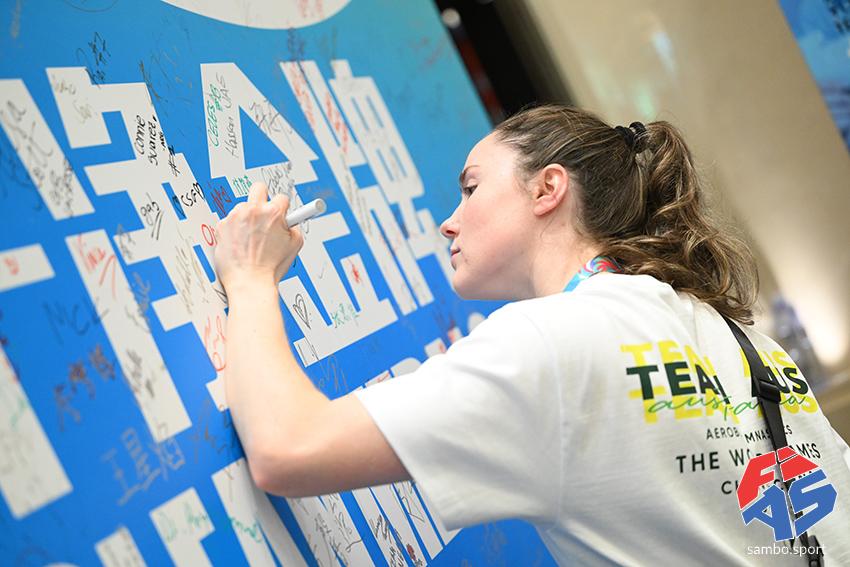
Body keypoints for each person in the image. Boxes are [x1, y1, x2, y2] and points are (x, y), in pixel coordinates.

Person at [213, 104, 850, 565]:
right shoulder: (739, 339)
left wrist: (249, 275)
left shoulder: (552, 343)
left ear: (548, 188)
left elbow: (289, 448)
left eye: (471, 188)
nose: (449, 222)